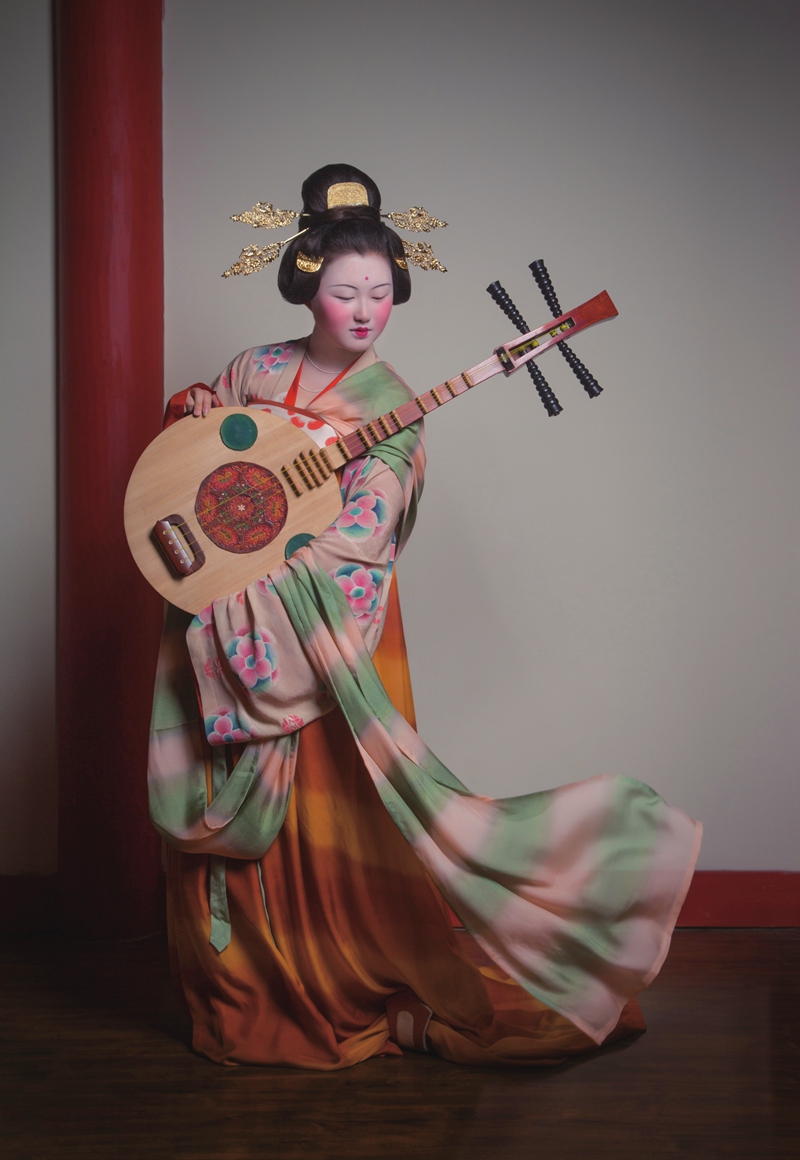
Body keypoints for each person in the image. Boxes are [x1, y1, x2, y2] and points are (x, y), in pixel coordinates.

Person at [150, 163, 701, 1069]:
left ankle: (334, 979)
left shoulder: (390, 407)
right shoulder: (254, 367)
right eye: (342, 292)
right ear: (307, 287)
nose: (363, 310)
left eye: (379, 293)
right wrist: (197, 408)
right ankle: (242, 992)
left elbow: (362, 539)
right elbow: (196, 467)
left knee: (326, 832)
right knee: (228, 835)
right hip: (222, 616)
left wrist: (261, 585)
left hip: (313, 637)